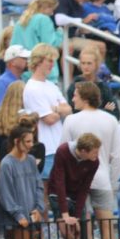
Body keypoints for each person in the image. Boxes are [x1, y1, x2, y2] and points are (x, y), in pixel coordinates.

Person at [62, 82, 120, 239]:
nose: (72, 99)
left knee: (83, 226)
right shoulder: (111, 120)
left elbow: (64, 152)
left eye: (76, 95)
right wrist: (112, 184)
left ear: (85, 97)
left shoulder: (71, 120)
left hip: (78, 182)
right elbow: (117, 156)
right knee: (107, 228)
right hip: (103, 180)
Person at [0, 125, 45, 239]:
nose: (32, 144)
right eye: (28, 141)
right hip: (17, 218)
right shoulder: (7, 163)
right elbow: (4, 193)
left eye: (32, 140)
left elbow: (39, 186)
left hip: (34, 214)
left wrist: (39, 208)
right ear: (17, 141)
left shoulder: (31, 160)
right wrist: (18, 215)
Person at [23, 44, 71, 182]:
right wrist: (58, 109)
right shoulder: (32, 88)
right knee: (46, 191)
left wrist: (55, 109)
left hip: (59, 146)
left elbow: (68, 109)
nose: (53, 64)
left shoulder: (51, 85)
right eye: (49, 60)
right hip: (46, 148)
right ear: (38, 61)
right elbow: (49, 119)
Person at [66, 45, 120, 120]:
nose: (85, 66)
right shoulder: (75, 86)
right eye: (83, 63)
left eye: (89, 63)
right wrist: (105, 111)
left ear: (96, 64)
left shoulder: (103, 86)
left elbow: (116, 114)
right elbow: (76, 112)